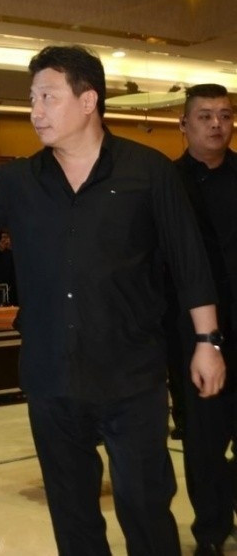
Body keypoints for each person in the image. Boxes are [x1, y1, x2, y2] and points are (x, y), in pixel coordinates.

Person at [0, 45, 226, 555]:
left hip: (132, 375)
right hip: (52, 376)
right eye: (32, 99)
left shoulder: (148, 172)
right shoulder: (21, 181)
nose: (35, 111)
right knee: (72, 515)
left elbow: (190, 262)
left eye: (47, 97)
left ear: (87, 101)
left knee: (145, 507)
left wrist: (208, 341)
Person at [166, 83, 237, 555]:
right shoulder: (166, 184)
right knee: (203, 440)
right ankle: (211, 532)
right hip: (192, 337)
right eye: (205, 116)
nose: (217, 124)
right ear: (184, 124)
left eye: (225, 116)